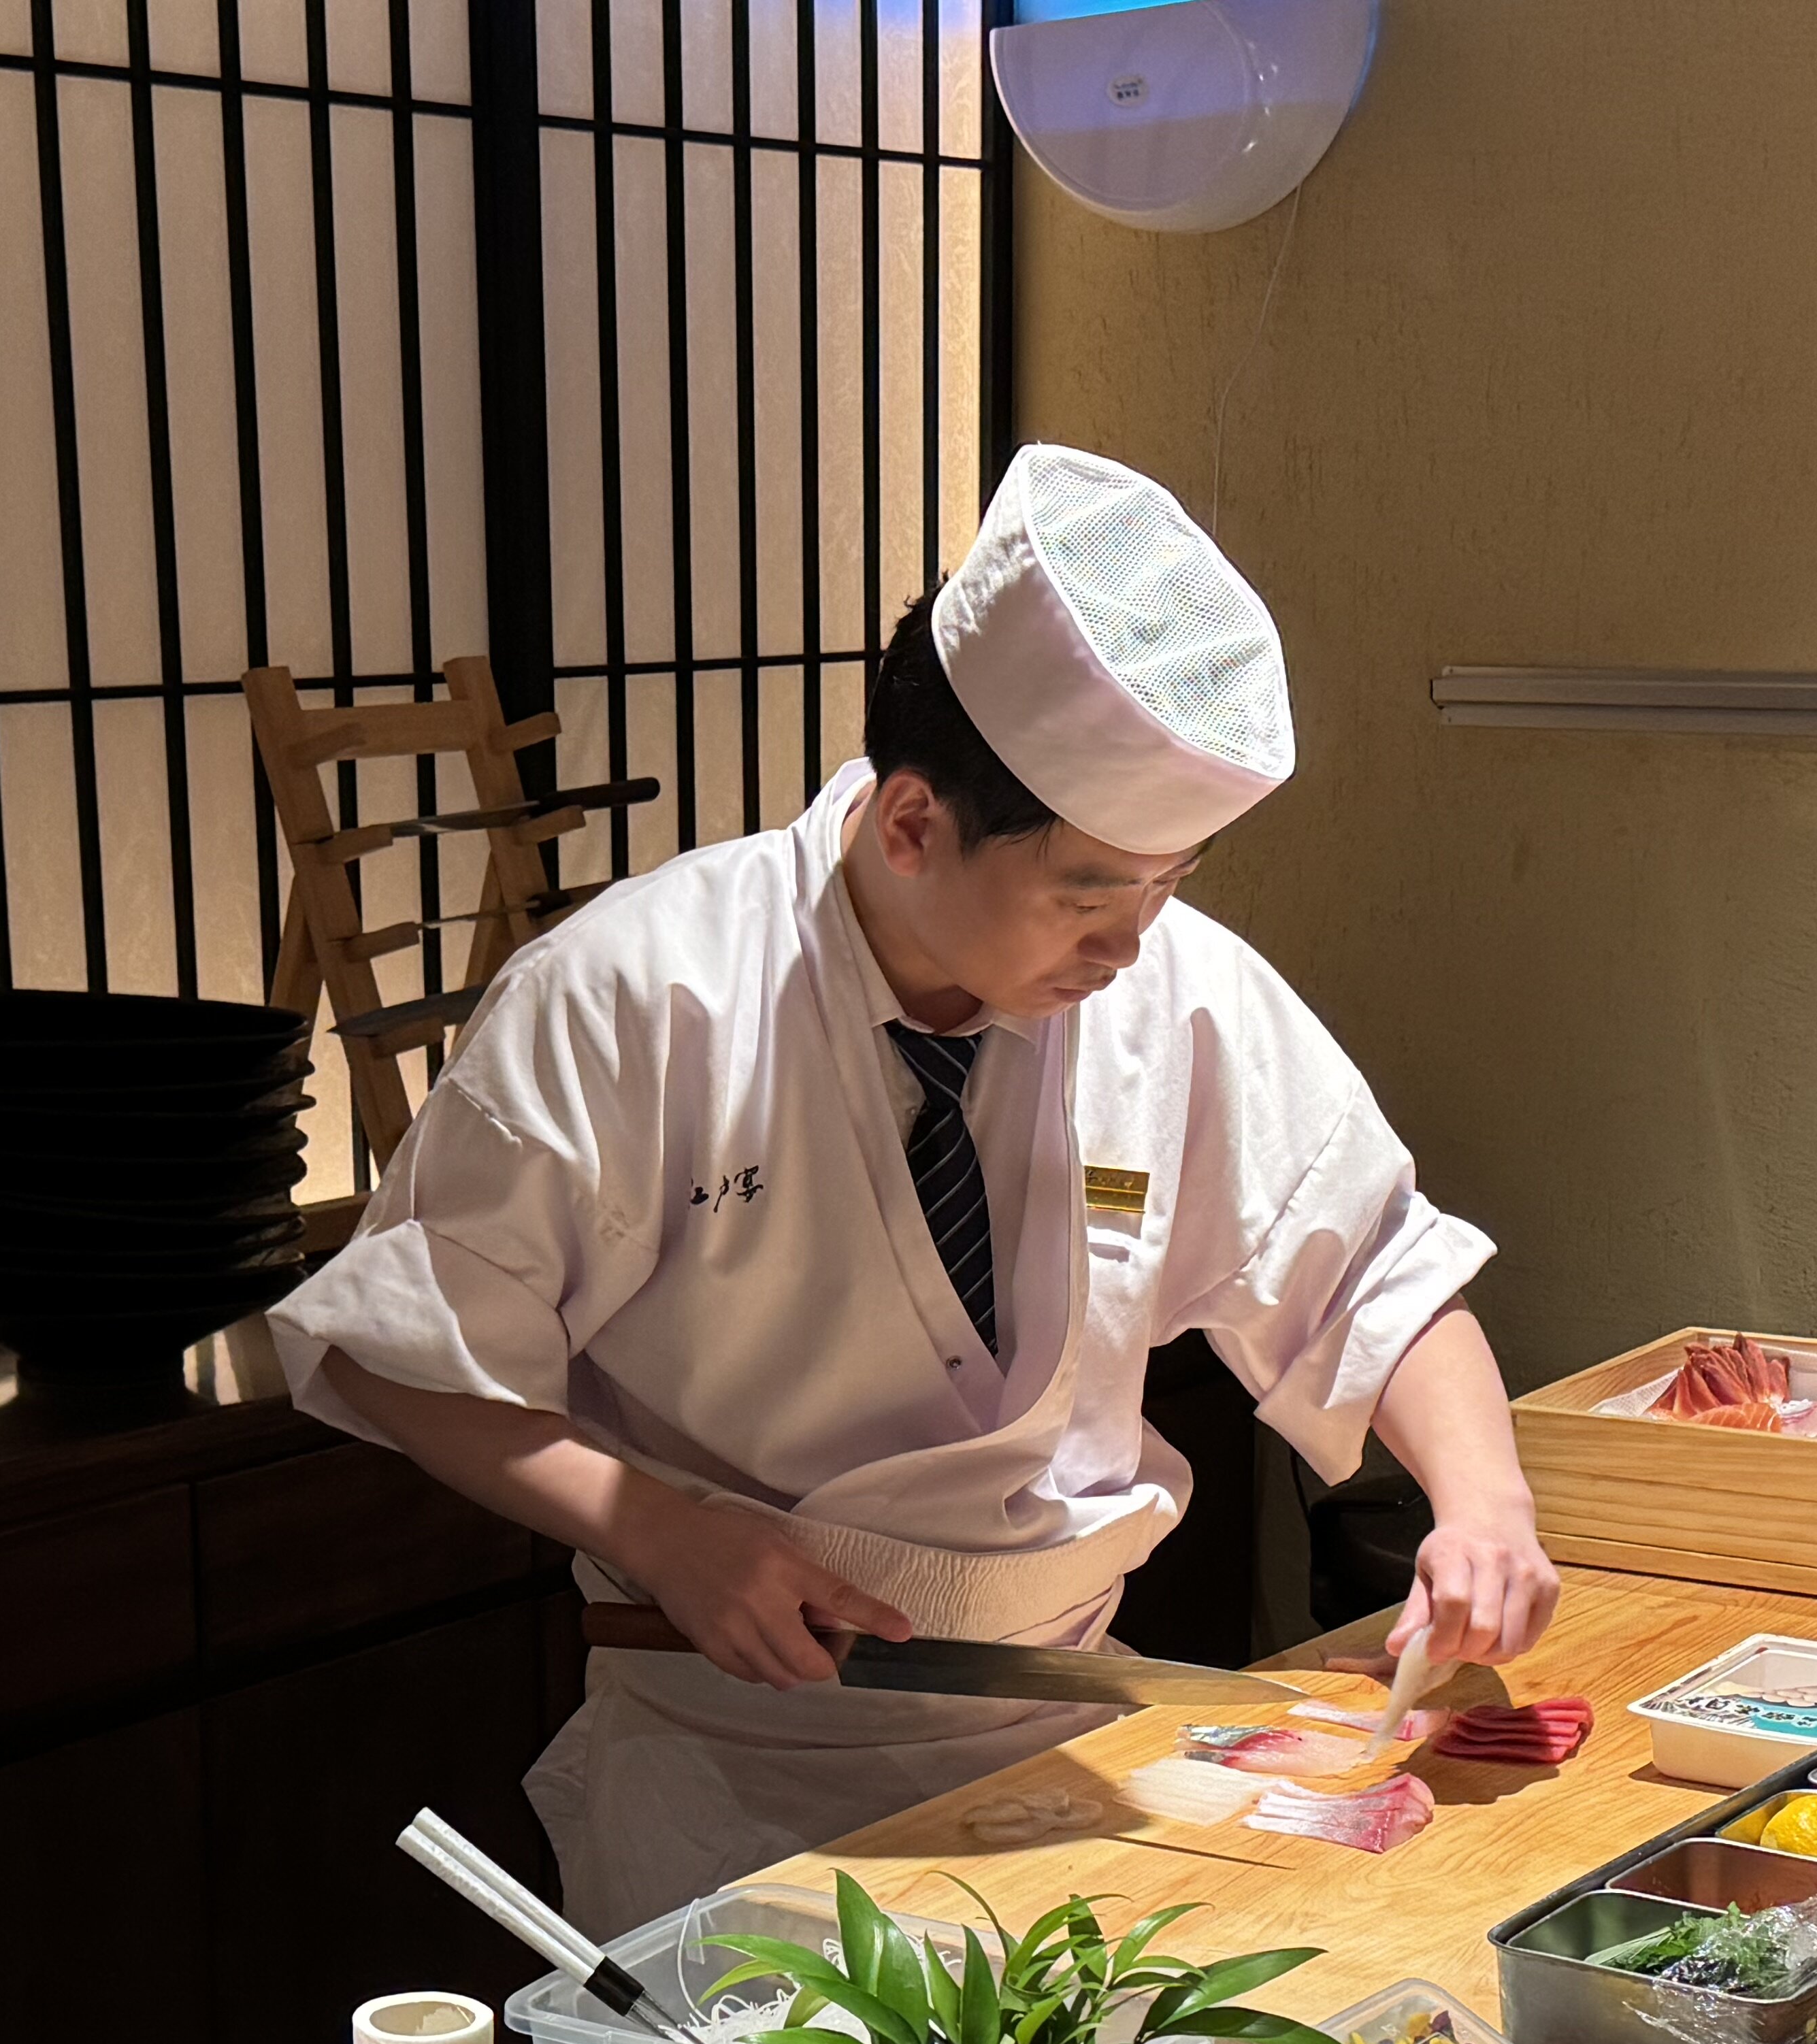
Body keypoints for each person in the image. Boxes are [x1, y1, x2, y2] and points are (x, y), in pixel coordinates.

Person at [271, 442, 1558, 1934]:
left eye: (1171, 886)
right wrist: (662, 1533)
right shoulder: (642, 994)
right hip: (734, 1745)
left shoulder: (1172, 991)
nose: (1132, 942)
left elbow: (1367, 1272)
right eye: (1090, 892)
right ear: (910, 824)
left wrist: (1485, 1506)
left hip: (1082, 1737)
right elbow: (403, 1347)